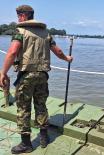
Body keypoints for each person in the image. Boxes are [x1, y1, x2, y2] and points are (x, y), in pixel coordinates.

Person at [0, 5, 73, 154]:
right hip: (42, 76)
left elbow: (13, 52)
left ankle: (26, 144)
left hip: (26, 76)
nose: (17, 17)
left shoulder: (20, 31)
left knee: (23, 109)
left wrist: (2, 73)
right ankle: (44, 138)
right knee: (41, 105)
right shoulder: (46, 33)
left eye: (19, 14)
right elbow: (57, 51)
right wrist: (67, 58)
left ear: (23, 16)